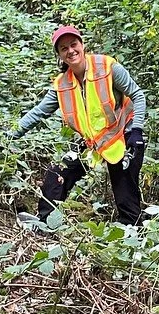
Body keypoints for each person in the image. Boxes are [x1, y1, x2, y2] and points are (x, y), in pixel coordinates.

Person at [13, 25, 148, 226]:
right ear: (59, 55)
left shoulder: (107, 67)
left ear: (82, 45)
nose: (70, 51)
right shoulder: (62, 84)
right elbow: (38, 112)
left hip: (124, 135)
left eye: (73, 44)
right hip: (94, 142)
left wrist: (136, 131)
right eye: (63, 48)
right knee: (58, 172)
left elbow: (138, 95)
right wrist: (10, 135)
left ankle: (133, 233)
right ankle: (44, 222)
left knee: (126, 197)